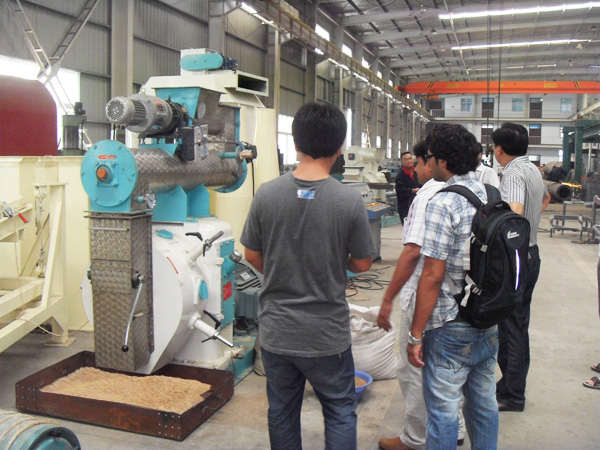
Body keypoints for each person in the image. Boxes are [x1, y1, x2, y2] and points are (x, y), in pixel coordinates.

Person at [240, 102, 375, 450]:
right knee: (340, 410)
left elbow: (251, 254)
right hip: (326, 334)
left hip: (277, 331)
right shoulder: (348, 201)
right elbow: (363, 264)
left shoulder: (266, 194)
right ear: (339, 148)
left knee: (282, 412)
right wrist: (330, 264)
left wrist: (282, 270)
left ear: (296, 144)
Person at [407, 124, 499, 450]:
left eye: (431, 157)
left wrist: (415, 334)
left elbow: (432, 276)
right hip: (488, 317)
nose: (428, 162)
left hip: (450, 323)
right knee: (483, 401)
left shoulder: (443, 202)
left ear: (444, 162)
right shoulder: (492, 195)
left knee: (444, 409)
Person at [377, 141, 465, 450]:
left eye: (418, 162)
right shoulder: (468, 190)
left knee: (414, 367)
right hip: (459, 295)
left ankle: (415, 438)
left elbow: (413, 252)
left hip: (426, 294)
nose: (415, 169)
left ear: (431, 162)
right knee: (450, 370)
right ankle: (455, 428)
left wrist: (388, 298)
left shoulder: (428, 195)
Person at [492, 122, 551, 412]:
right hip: (531, 254)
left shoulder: (513, 173)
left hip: (517, 258)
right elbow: (546, 198)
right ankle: (511, 386)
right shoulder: (532, 170)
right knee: (518, 324)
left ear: (498, 149)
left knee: (510, 327)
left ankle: (512, 395)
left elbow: (514, 213)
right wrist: (531, 223)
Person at [395, 152, 420, 224]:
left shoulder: (418, 171)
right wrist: (412, 190)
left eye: (410, 158)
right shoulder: (400, 176)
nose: (409, 161)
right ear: (402, 162)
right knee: (407, 227)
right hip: (405, 207)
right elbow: (400, 191)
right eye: (406, 159)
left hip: (418, 205)